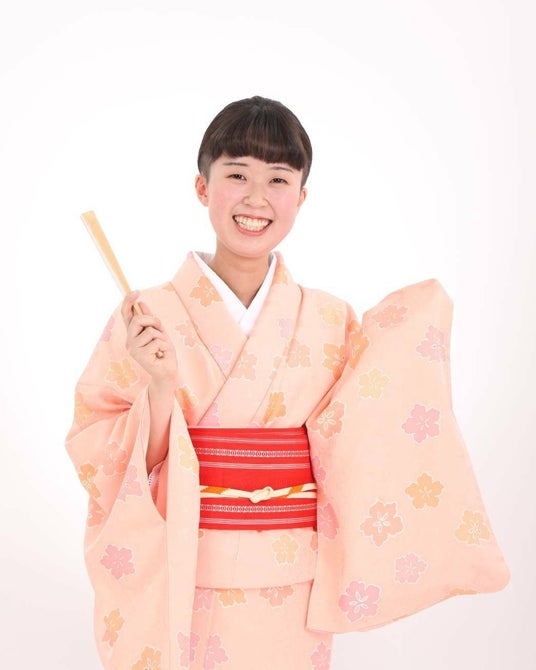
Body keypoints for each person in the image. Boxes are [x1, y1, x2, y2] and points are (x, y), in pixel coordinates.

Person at [66, 96, 510, 670]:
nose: (256, 197)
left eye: (278, 179)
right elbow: (101, 458)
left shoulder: (330, 320)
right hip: (183, 569)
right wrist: (157, 387)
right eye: (237, 175)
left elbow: (361, 441)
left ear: (300, 198)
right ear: (202, 187)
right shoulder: (147, 317)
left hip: (291, 576)